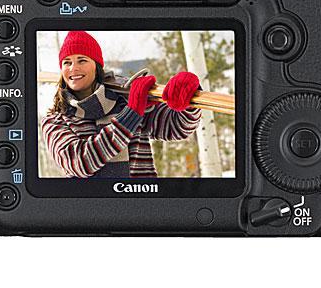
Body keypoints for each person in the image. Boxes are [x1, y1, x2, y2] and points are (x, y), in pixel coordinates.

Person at [41, 31, 202, 178]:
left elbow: (178, 128)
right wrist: (131, 114)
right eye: (67, 62)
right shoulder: (54, 121)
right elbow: (80, 163)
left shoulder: (123, 100)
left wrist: (189, 98)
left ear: (97, 67)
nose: (74, 68)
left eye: (82, 60)